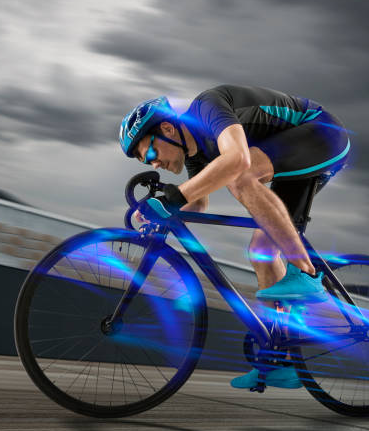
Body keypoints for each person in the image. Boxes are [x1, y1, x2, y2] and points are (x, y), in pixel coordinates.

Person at [119, 84, 350, 390]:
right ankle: (279, 360)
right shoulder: (195, 155)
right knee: (261, 251)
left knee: (240, 175)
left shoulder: (207, 108)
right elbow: (198, 203)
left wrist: (171, 199)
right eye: (145, 162)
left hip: (321, 133)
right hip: (287, 157)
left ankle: (306, 273)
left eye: (149, 151)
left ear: (166, 128)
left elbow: (238, 160)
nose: (154, 163)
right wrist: (156, 215)